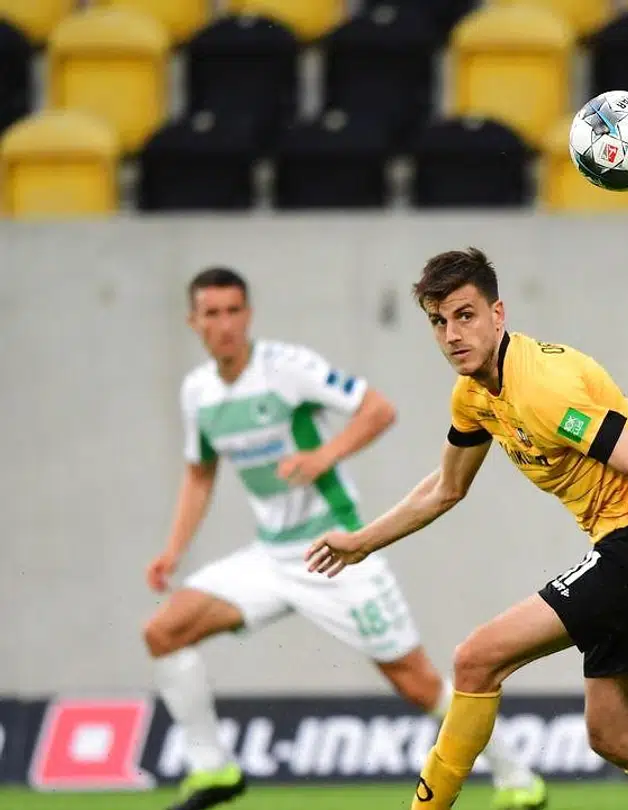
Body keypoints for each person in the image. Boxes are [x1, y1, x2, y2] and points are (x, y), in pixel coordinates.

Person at [304, 248, 628, 810]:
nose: (451, 334)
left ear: (499, 314)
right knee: (613, 734)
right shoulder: (473, 397)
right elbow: (446, 488)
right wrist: (361, 542)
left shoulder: (544, 387)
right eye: (438, 321)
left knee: (476, 659)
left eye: (465, 315)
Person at [143, 267, 545, 810]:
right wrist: (172, 551)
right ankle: (212, 770)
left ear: (248, 314)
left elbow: (379, 409)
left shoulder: (285, 369)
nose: (224, 324)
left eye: (233, 310)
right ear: (194, 322)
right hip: (270, 556)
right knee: (164, 632)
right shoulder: (199, 393)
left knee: (417, 683)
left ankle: (518, 778)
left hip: (335, 552)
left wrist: (323, 456)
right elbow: (199, 473)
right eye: (211, 313)